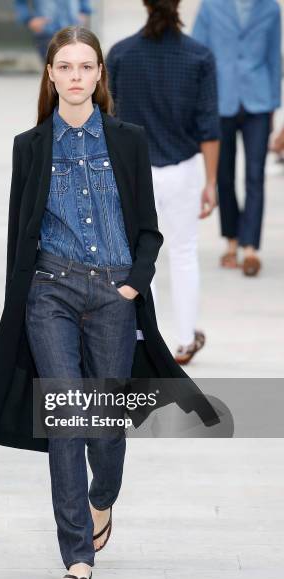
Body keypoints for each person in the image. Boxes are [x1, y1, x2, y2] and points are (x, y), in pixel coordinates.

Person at [0, 25, 220, 579]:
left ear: (99, 74)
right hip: (50, 291)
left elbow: (149, 231)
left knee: (105, 430)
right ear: (50, 75)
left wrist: (133, 285)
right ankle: (77, 553)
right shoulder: (29, 147)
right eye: (66, 67)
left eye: (86, 67)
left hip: (113, 296)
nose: (76, 77)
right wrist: (23, 295)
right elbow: (19, 235)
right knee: (66, 420)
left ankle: (103, 499)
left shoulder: (128, 141)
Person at [106, 0, 220, 365]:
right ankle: (185, 340)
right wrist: (212, 182)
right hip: (182, 169)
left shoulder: (121, 54)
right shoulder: (199, 56)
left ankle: (145, 338)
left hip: (133, 170)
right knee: (184, 253)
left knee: (141, 258)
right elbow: (209, 127)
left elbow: (108, 118)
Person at [192, 0, 282, 276]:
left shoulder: (270, 8)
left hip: (259, 101)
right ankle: (231, 242)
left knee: (255, 175)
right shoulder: (211, 6)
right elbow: (198, 53)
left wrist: (275, 106)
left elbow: (274, 57)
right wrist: (200, 104)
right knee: (224, 175)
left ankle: (250, 247)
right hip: (221, 101)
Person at [14, 0, 92, 60]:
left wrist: (84, 11)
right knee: (54, 71)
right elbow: (20, 2)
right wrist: (28, 19)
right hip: (46, 31)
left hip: (74, 30)